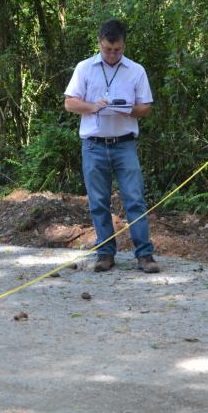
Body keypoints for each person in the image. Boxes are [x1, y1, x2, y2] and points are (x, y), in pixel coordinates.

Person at [64, 19, 160, 273]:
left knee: (134, 199)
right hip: (94, 145)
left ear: (124, 45)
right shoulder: (84, 68)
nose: (112, 55)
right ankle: (105, 253)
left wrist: (128, 110)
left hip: (124, 144)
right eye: (108, 49)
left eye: (117, 50)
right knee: (98, 201)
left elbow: (146, 107)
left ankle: (144, 255)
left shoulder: (136, 70)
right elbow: (70, 103)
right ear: (99, 43)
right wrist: (93, 106)